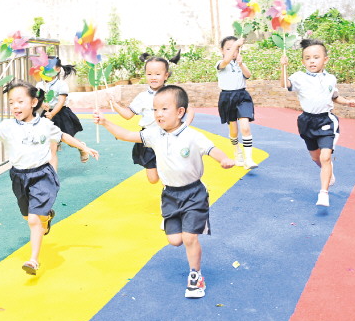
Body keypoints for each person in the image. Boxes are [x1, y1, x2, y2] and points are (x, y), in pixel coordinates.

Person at [94, 85, 234, 298]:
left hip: (194, 193)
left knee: (189, 238)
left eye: (164, 109)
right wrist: (105, 122)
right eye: (155, 110)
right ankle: (177, 223)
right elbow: (126, 135)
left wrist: (224, 159)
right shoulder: (154, 134)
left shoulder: (192, 136)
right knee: (174, 240)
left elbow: (212, 149)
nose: (158, 114)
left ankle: (195, 276)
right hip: (169, 194)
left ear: (180, 112)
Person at [0, 79, 98, 276]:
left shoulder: (45, 125)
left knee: (32, 220)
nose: (15, 106)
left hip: (42, 175)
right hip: (19, 177)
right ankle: (46, 217)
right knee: (28, 216)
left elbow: (63, 136)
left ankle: (33, 261)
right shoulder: (7, 126)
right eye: (11, 102)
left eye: (20, 101)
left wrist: (83, 146)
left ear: (33, 102)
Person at [280, 38, 355, 207]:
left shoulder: (330, 78)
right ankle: (327, 170)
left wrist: (346, 102)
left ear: (325, 59)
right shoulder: (299, 77)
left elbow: (334, 96)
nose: (312, 61)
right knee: (316, 158)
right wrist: (283, 67)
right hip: (307, 122)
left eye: (316, 57)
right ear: (303, 61)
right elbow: (285, 84)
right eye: (307, 58)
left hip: (326, 121)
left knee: (325, 157)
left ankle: (323, 193)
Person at [109, 51, 195, 184]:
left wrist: (184, 126)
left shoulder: (173, 93)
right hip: (149, 139)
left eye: (157, 74)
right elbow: (128, 115)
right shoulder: (142, 97)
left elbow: (190, 110)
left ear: (166, 75)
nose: (153, 77)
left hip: (170, 138)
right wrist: (115, 105)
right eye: (149, 74)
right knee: (153, 179)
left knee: (174, 171)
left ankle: (173, 188)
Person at [216, 36, 258, 169]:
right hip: (227, 98)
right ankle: (237, 151)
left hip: (242, 96)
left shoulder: (239, 63)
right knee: (234, 131)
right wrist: (236, 45)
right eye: (228, 49)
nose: (233, 52)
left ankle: (249, 159)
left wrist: (241, 64)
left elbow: (248, 75)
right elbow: (226, 60)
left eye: (236, 49)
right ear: (222, 50)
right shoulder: (221, 63)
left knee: (245, 127)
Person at [36, 56, 88, 163]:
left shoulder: (61, 85)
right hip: (47, 114)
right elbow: (38, 99)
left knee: (67, 139)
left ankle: (81, 147)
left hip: (61, 114)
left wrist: (52, 113)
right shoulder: (40, 85)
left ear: (58, 69)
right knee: (46, 139)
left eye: (49, 66)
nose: (46, 68)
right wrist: (42, 104)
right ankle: (49, 162)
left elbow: (60, 101)